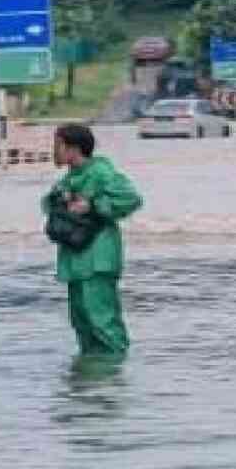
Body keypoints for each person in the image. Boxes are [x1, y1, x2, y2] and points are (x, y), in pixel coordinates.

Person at [42, 123, 143, 357]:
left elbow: (131, 199)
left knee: (102, 322)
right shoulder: (67, 179)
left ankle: (113, 376)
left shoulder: (101, 172)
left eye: (58, 145)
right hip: (75, 260)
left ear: (73, 148)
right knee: (81, 323)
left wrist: (94, 205)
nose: (53, 151)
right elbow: (49, 206)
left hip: (98, 258)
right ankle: (89, 381)